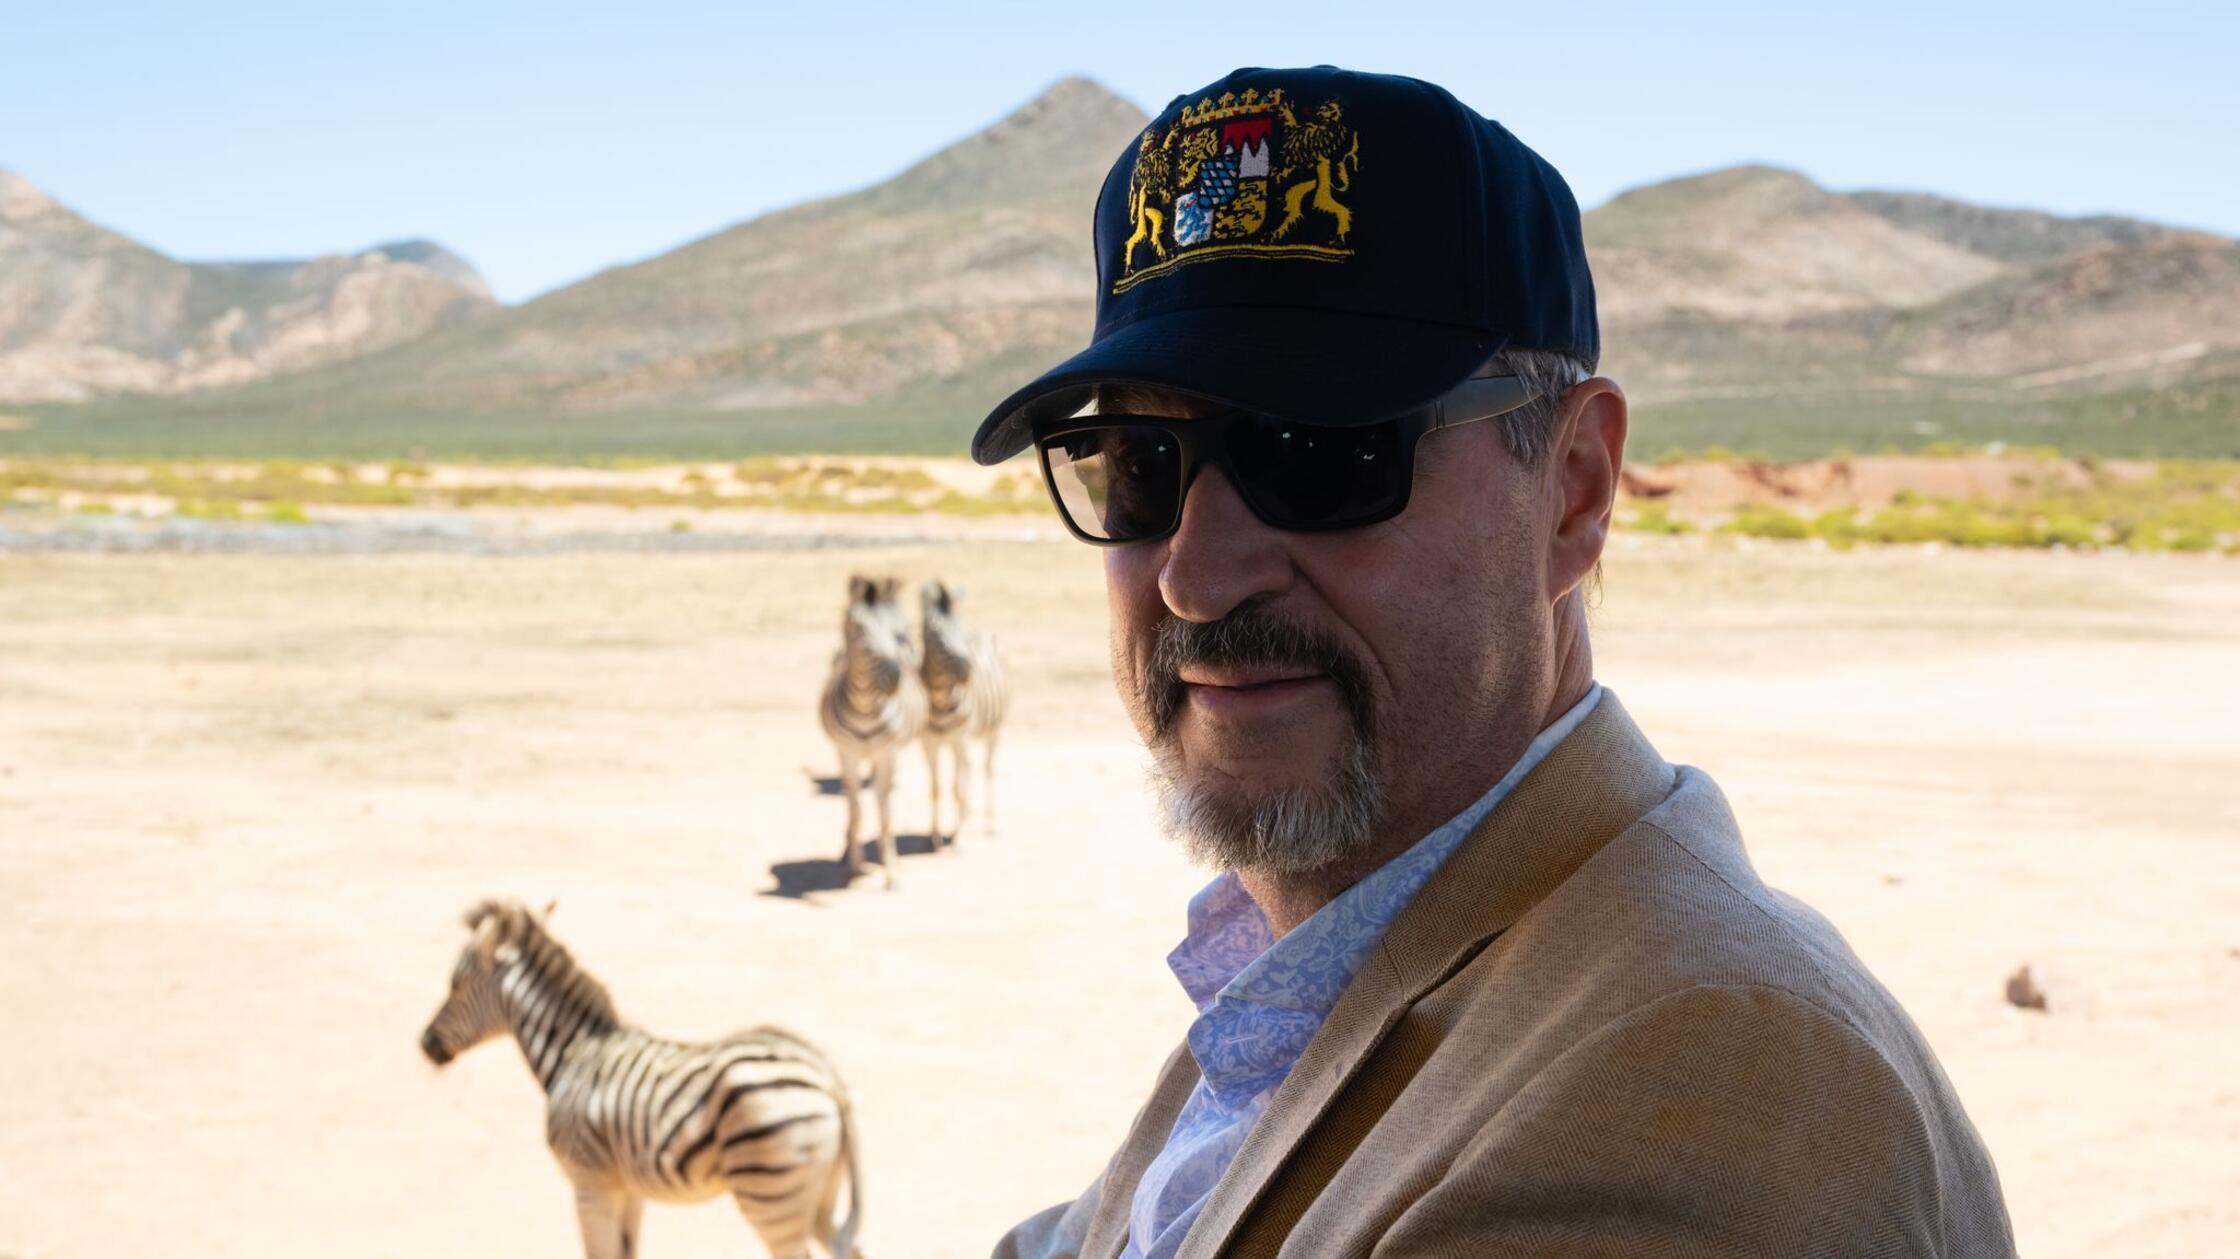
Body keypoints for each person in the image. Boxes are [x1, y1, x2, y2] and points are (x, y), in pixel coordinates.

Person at [971, 66, 2015, 1258]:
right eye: (1135, 465)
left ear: (1573, 489)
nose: (1194, 579)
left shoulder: (1689, 1082)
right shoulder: (1348, 968)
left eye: (1319, 454)